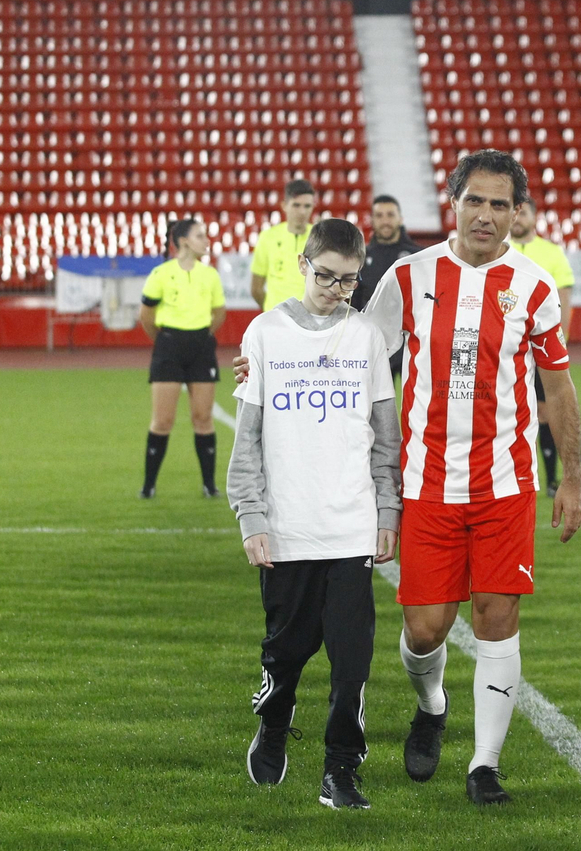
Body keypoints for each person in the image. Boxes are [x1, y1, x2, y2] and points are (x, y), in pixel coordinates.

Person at [362, 149, 581, 806]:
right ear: (452, 203)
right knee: (425, 630)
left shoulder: (536, 287)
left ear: (518, 213)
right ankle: (431, 704)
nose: (486, 215)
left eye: (499, 204)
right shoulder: (409, 277)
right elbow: (359, 356)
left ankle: (484, 765)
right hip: (427, 483)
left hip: (505, 484)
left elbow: (559, 386)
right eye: (474, 201)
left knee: (496, 617)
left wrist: (570, 477)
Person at [228, 218, 401, 810]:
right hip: (288, 532)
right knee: (287, 651)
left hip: (350, 529)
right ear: (303, 263)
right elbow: (246, 441)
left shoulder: (366, 340)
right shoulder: (265, 334)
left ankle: (340, 771)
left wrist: (388, 510)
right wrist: (252, 518)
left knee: (352, 662)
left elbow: (385, 439)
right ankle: (274, 723)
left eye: (348, 280)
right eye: (325, 275)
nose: (335, 288)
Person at [137, 218, 227, 500]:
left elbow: (219, 312)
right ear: (185, 241)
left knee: (203, 418)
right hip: (169, 349)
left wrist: (201, 337)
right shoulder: (160, 274)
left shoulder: (210, 275)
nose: (206, 241)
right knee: (163, 420)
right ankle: (149, 486)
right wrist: (165, 341)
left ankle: (209, 485)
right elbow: (146, 316)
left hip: (201, 347)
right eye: (201, 235)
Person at [509, 197, 575, 499]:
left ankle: (550, 478)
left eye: (525, 214)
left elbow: (564, 299)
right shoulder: (499, 250)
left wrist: (559, 342)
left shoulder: (551, 253)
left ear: (534, 218)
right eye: (516, 213)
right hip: (506, 350)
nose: (519, 219)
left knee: (546, 414)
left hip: (540, 347)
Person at [250, 178, 316, 311]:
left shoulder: (320, 238)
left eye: (307, 206)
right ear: (284, 205)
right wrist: (273, 311)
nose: (302, 211)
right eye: (296, 205)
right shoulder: (268, 237)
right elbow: (256, 288)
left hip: (310, 318)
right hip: (276, 318)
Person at [350, 194, 421, 316]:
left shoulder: (418, 256)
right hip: (369, 328)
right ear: (371, 219)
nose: (385, 221)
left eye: (390, 215)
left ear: (400, 219)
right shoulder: (360, 257)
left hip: (408, 330)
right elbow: (354, 303)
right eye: (379, 215)